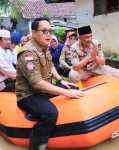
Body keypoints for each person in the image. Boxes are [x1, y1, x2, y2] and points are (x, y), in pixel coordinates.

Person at [15, 17, 85, 150]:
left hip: (43, 90)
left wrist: (61, 81)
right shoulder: (28, 53)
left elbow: (51, 65)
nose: (49, 34)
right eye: (44, 31)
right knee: (50, 113)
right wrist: (65, 92)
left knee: (73, 86)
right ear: (34, 33)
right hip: (28, 94)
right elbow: (36, 83)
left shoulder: (44, 47)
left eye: (50, 31)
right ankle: (36, 146)